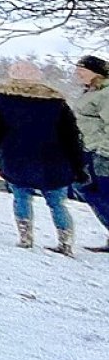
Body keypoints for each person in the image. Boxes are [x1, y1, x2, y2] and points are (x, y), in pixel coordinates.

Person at [0, 60, 90, 257]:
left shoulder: (2, 99)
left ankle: (25, 238)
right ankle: (65, 242)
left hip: (16, 158)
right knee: (57, 202)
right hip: (53, 159)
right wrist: (77, 164)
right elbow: (71, 135)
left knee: (21, 197)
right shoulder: (56, 102)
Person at [73, 53, 109, 252]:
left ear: (96, 72)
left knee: (99, 192)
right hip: (87, 148)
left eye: (82, 70)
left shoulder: (105, 94)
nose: (77, 73)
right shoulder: (91, 92)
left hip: (101, 151)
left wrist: (104, 151)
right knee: (86, 189)